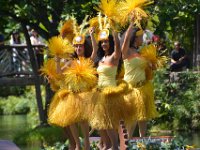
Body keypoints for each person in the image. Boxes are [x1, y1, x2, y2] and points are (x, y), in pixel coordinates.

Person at [48, 18, 97, 150]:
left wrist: (92, 36)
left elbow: (95, 52)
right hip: (73, 96)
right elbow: (59, 73)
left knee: (83, 122)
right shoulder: (70, 62)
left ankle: (86, 144)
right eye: (76, 46)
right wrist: (57, 61)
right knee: (71, 121)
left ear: (84, 47)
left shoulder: (87, 61)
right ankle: (77, 145)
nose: (78, 48)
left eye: (80, 46)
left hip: (84, 96)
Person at [121, 22, 159, 138]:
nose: (143, 38)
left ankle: (143, 142)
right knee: (131, 119)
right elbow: (125, 41)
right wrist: (131, 24)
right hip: (131, 89)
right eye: (141, 37)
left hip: (143, 87)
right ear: (135, 38)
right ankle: (126, 144)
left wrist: (152, 65)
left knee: (143, 117)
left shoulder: (140, 53)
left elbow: (150, 69)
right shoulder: (126, 52)